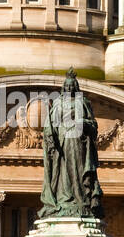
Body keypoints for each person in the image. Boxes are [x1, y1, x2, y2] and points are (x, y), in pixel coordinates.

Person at [39, 69, 104, 219]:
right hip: (62, 142)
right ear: (64, 88)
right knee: (62, 172)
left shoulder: (83, 102)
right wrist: (50, 137)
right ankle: (64, 199)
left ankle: (81, 200)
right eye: (66, 86)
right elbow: (50, 125)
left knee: (78, 171)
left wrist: (83, 123)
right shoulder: (58, 102)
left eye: (71, 86)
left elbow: (93, 124)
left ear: (75, 86)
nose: (69, 88)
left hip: (78, 142)